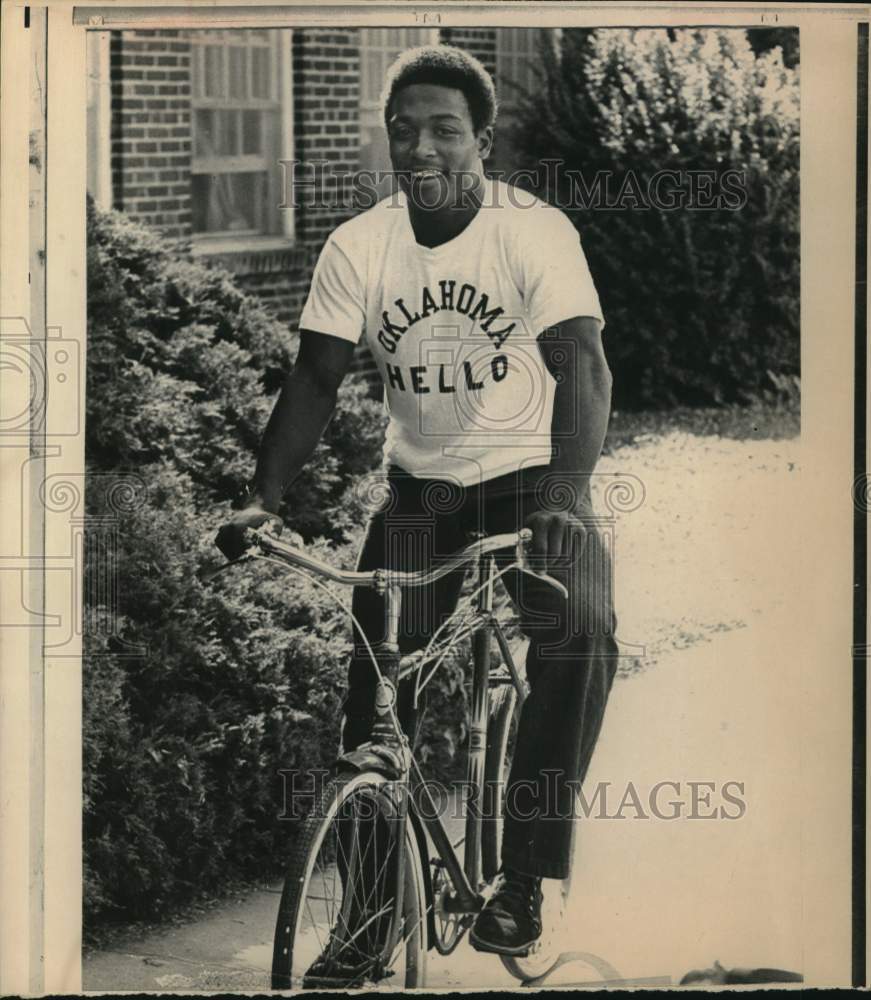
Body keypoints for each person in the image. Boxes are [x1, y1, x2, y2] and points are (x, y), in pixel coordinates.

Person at [216, 43, 619, 958]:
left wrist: (564, 496)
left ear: (482, 137)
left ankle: (520, 879)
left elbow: (583, 366)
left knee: (578, 635)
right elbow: (315, 379)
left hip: (531, 483)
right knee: (376, 684)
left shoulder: (531, 230)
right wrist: (260, 498)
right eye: (405, 131)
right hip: (424, 492)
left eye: (445, 129)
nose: (423, 147)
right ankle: (365, 923)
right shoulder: (360, 244)